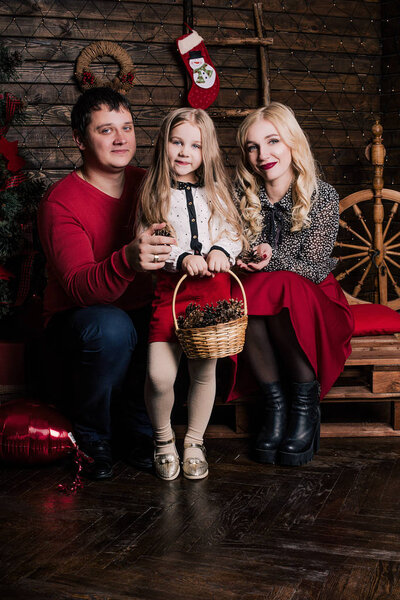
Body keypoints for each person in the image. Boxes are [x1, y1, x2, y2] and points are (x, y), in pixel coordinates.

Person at [38, 87, 175, 480]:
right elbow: (81, 289)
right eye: (106, 130)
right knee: (112, 326)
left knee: (168, 316)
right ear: (80, 140)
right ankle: (92, 435)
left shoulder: (149, 183)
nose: (121, 139)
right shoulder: (60, 203)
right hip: (78, 329)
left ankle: (140, 428)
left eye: (127, 128)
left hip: (137, 317)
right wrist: (128, 260)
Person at [232, 102, 354, 467]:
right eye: (252, 147)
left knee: (280, 283)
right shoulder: (243, 197)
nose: (262, 154)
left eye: (272, 142)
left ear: (291, 144)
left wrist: (272, 259)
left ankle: (305, 407)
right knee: (247, 291)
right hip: (261, 302)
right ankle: (276, 407)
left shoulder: (323, 195)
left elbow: (315, 269)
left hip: (316, 300)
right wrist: (240, 257)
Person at [138, 107, 243, 480]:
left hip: (212, 292)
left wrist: (219, 252)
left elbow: (233, 232)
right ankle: (163, 439)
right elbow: (153, 240)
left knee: (203, 372)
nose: (184, 152)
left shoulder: (217, 192)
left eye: (194, 145)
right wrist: (181, 257)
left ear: (206, 151)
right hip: (173, 291)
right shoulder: (154, 193)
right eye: (176, 142)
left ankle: (194, 441)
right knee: (159, 376)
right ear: (164, 144)